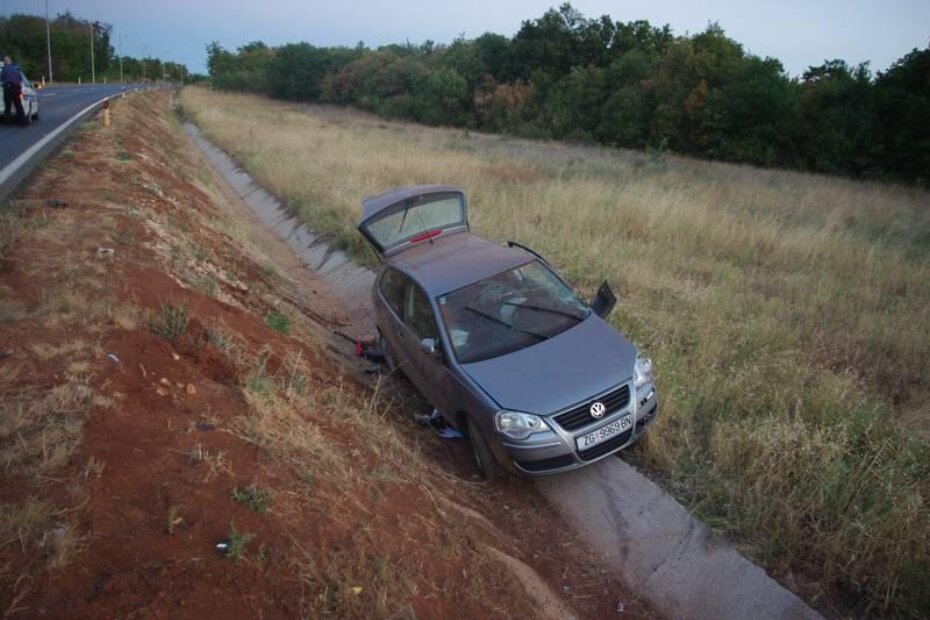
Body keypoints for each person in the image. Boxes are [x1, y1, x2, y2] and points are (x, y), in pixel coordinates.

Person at [1, 56, 27, 127]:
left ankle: (7, 123)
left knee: (8, 106)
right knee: (18, 106)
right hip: (16, 89)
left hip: (8, 89)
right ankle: (23, 122)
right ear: (11, 62)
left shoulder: (4, 70)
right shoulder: (16, 70)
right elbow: (20, 80)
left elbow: (2, 79)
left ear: (5, 62)